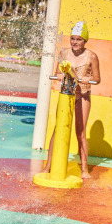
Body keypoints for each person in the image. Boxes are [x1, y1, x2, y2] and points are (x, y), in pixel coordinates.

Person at [42, 21, 101, 179]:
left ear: (85, 41)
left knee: (80, 132)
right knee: (58, 129)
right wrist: (61, 75)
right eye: (73, 39)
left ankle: (84, 169)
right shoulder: (63, 54)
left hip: (82, 95)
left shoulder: (92, 56)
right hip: (67, 95)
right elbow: (57, 73)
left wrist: (89, 79)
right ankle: (48, 166)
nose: (75, 42)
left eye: (79, 39)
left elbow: (98, 78)